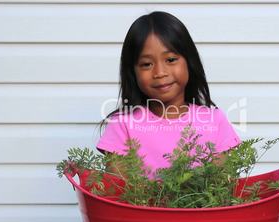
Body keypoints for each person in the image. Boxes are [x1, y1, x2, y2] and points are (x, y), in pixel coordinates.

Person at [96, 11, 241, 177]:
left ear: (189, 61)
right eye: (146, 64)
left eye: (171, 60)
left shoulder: (215, 120)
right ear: (132, 72)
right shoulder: (122, 125)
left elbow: (222, 190)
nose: (160, 72)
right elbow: (118, 192)